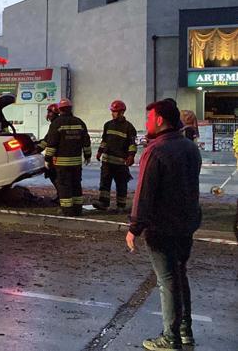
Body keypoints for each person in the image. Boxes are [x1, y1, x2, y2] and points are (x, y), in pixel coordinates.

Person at [127, 99, 201, 351]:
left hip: (162, 227)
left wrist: (134, 227)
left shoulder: (156, 150)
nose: (146, 123)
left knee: (167, 280)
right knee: (179, 275)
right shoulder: (190, 148)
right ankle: (185, 331)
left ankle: (170, 338)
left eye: (149, 118)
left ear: (159, 120)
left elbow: (144, 193)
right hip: (187, 223)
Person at [43, 98, 91, 216]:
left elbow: (52, 144)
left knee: (64, 186)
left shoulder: (57, 123)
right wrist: (87, 155)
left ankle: (67, 211)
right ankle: (78, 209)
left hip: (62, 163)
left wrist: (48, 159)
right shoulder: (79, 122)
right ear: (70, 109)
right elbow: (86, 141)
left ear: (60, 110)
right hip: (76, 162)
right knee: (76, 185)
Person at [93, 100, 137, 213]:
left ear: (122, 112)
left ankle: (121, 206)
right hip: (107, 160)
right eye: (112, 111)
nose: (113, 113)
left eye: (115, 111)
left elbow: (132, 144)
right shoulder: (108, 125)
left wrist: (131, 156)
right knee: (105, 182)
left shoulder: (129, 127)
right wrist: (99, 152)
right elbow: (104, 141)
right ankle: (103, 202)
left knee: (121, 183)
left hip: (120, 162)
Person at [36, 103, 60, 198]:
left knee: (52, 173)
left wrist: (37, 148)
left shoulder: (55, 124)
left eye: (49, 112)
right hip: (66, 156)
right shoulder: (58, 122)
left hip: (57, 156)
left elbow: (49, 140)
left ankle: (61, 196)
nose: (48, 115)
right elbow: (47, 139)